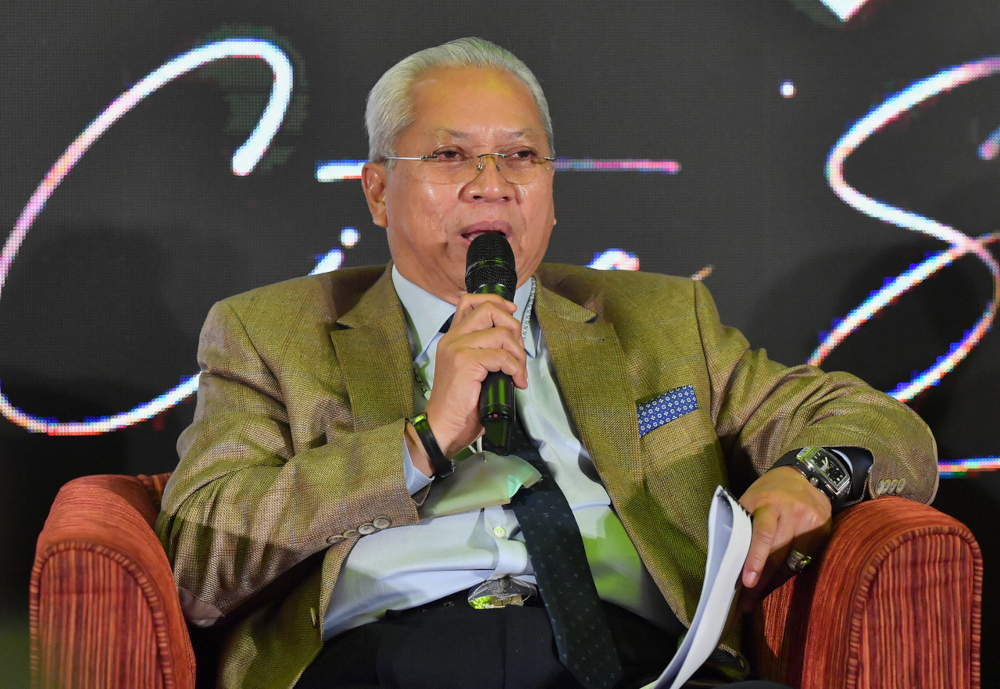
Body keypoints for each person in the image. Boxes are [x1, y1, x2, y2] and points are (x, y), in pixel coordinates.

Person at [155, 37, 938, 689]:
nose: (491, 186)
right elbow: (198, 555)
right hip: (391, 658)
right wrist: (418, 443)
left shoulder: (663, 320)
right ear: (377, 190)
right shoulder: (268, 332)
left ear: (551, 190)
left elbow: (879, 424)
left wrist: (814, 474)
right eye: (451, 155)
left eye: (520, 157)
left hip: (633, 659)